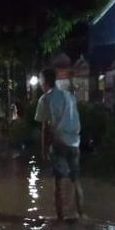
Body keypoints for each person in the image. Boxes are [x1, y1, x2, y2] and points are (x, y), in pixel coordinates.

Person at [35, 68, 84, 220]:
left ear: (44, 81)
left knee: (58, 183)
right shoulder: (69, 96)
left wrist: (43, 148)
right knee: (76, 180)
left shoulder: (45, 99)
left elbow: (45, 126)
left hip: (58, 143)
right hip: (74, 143)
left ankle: (60, 218)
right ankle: (81, 215)